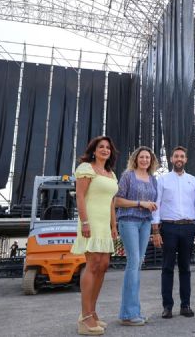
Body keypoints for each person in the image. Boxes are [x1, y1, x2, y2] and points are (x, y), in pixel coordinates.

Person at [71, 136, 119, 335]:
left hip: (104, 225)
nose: (105, 150)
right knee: (92, 265)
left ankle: (92, 312)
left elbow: (111, 202)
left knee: (103, 265)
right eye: (101, 147)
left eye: (108, 147)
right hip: (89, 222)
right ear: (94, 150)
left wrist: (113, 226)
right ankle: (85, 318)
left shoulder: (111, 174)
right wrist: (85, 222)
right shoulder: (86, 168)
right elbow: (80, 196)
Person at [152, 146, 195, 319]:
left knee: (185, 268)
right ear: (171, 159)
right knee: (167, 267)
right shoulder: (162, 180)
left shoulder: (193, 181)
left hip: (189, 227)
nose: (179, 159)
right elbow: (156, 204)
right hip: (168, 227)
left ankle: (185, 305)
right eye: (176, 156)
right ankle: (167, 307)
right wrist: (155, 230)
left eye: (182, 156)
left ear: (186, 159)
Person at [114, 146, 159, 326]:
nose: (145, 160)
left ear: (151, 161)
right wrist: (141, 203)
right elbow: (117, 201)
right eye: (142, 157)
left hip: (145, 223)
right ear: (135, 159)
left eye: (148, 157)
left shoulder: (153, 179)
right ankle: (128, 314)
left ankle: (134, 311)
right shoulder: (128, 176)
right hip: (129, 221)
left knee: (138, 263)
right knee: (133, 263)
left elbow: (153, 201)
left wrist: (152, 206)